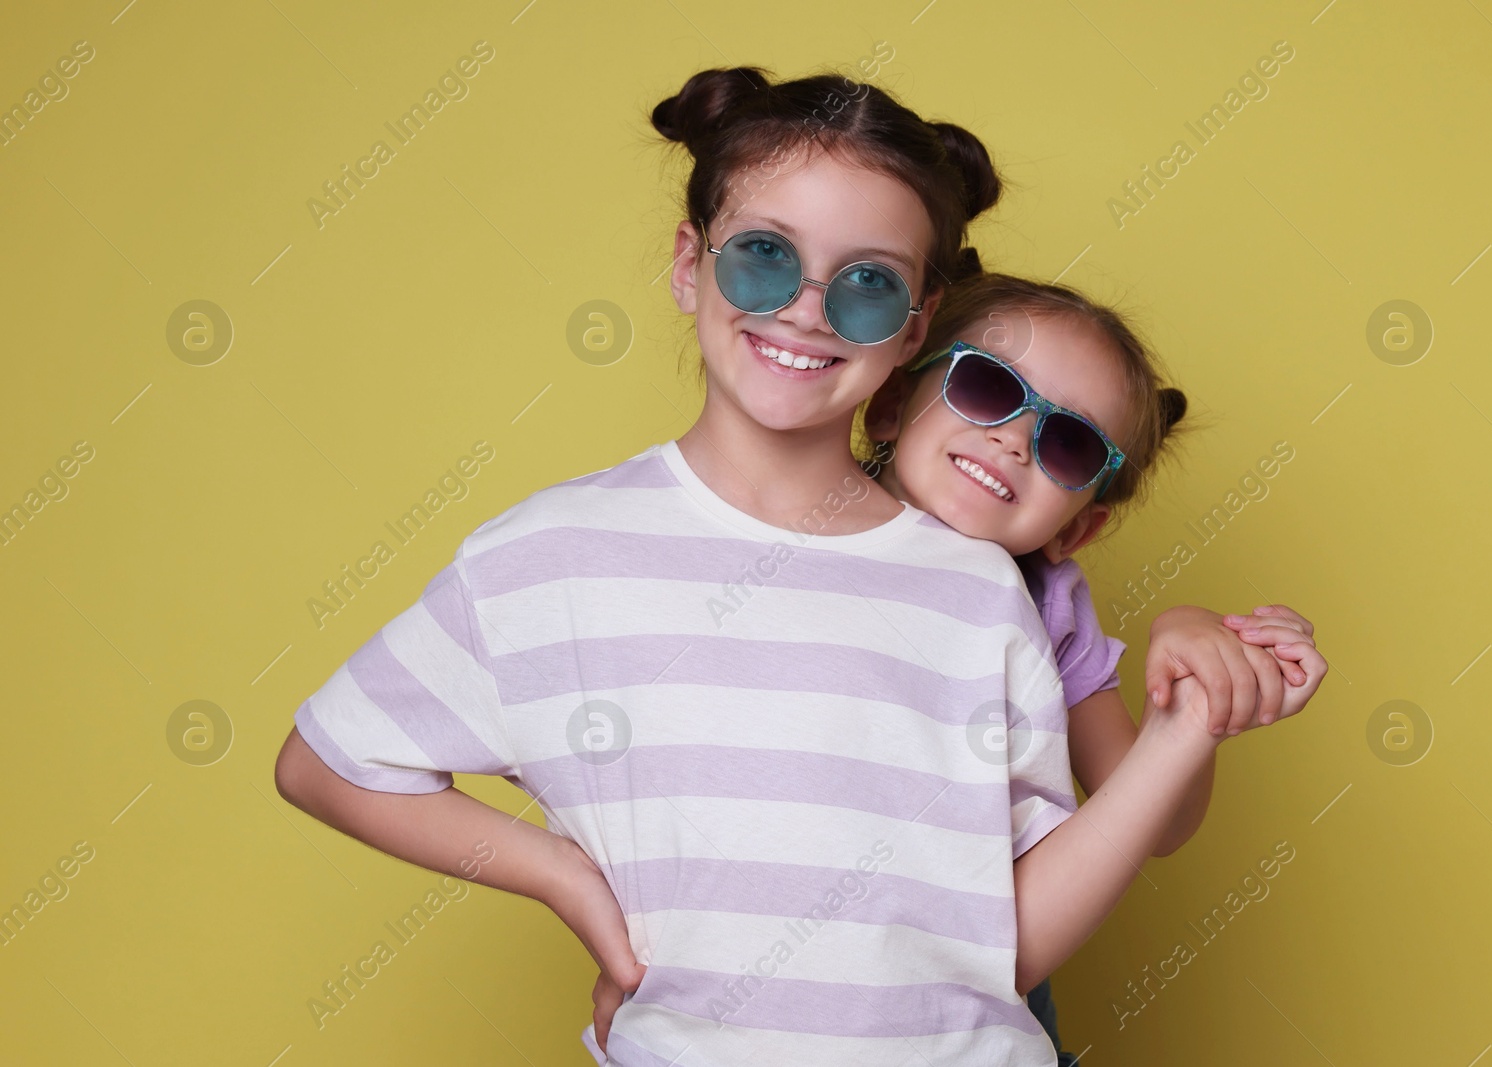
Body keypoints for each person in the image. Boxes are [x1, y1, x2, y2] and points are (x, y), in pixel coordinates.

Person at [277, 65, 1090, 1065]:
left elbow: (1021, 912)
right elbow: (328, 760)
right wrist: (569, 879)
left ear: (917, 322)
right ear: (686, 264)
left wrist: (1187, 720)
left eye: (867, 281)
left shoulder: (972, 588)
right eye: (761, 257)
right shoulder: (550, 556)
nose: (804, 309)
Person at [858, 268, 1324, 1062]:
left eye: (1067, 442)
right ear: (894, 403)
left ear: (1076, 529)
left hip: (979, 1006)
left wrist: (1196, 693)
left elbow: (1160, 819)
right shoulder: (790, 532)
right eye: (986, 385)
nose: (1013, 437)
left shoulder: (1047, 612)